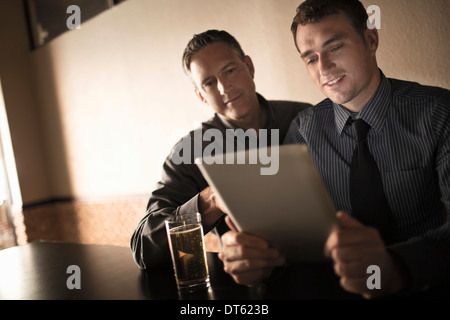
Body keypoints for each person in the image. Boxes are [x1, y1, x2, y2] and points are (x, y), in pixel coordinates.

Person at [218, 0, 449, 299]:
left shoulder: (439, 114)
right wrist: (261, 260)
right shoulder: (303, 130)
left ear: (370, 39)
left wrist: (394, 268)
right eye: (311, 58)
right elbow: (288, 236)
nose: (324, 67)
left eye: (335, 47)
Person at [130, 30, 311, 270]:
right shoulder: (190, 151)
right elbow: (144, 249)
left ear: (249, 66)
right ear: (201, 95)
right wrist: (212, 201)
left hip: (327, 270)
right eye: (209, 82)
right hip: (242, 285)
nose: (224, 87)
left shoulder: (308, 117)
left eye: (230, 70)